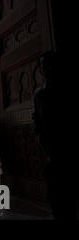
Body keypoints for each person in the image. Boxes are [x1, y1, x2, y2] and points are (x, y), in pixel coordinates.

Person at [33, 51, 77, 219]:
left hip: (70, 149)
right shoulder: (39, 94)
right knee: (56, 199)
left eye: (50, 64)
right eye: (44, 65)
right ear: (41, 70)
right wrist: (41, 139)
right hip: (51, 152)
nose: (47, 68)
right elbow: (36, 119)